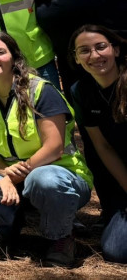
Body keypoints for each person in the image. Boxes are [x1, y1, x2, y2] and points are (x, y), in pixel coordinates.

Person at [0, 32, 91, 266]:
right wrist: (4, 173)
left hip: (61, 176)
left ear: (14, 57)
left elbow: (54, 147)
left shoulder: (40, 90)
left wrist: (12, 176)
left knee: (44, 179)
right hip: (13, 176)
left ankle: (61, 237)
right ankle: (12, 231)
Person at [69, 25, 127, 264]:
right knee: (117, 251)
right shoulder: (80, 91)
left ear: (115, 50)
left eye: (100, 47)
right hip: (121, 181)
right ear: (76, 58)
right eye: (84, 50)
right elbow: (102, 147)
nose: (94, 55)